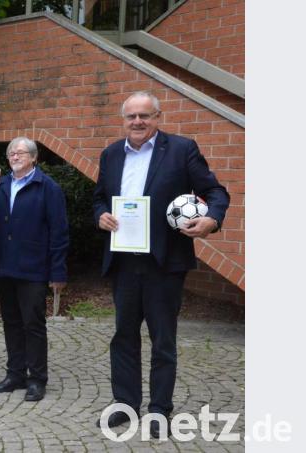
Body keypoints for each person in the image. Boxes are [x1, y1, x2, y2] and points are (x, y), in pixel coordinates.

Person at [92, 91, 229, 437]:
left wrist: (211, 219)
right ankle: (124, 404)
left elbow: (216, 193)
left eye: (145, 116)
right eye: (131, 117)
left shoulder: (182, 150)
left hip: (164, 263)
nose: (138, 122)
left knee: (162, 339)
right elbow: (98, 199)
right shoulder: (110, 155)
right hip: (123, 261)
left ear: (158, 118)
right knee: (123, 336)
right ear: (123, 120)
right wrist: (100, 216)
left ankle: (159, 411)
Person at [0, 137, 69, 402]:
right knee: (11, 322)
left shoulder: (48, 188)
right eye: (11, 153)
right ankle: (15, 373)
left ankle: (37, 379)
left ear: (34, 158)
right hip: (5, 265)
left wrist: (58, 272)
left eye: (20, 152)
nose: (14, 156)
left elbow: (59, 232)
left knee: (33, 323)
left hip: (34, 268)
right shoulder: (0, 185)